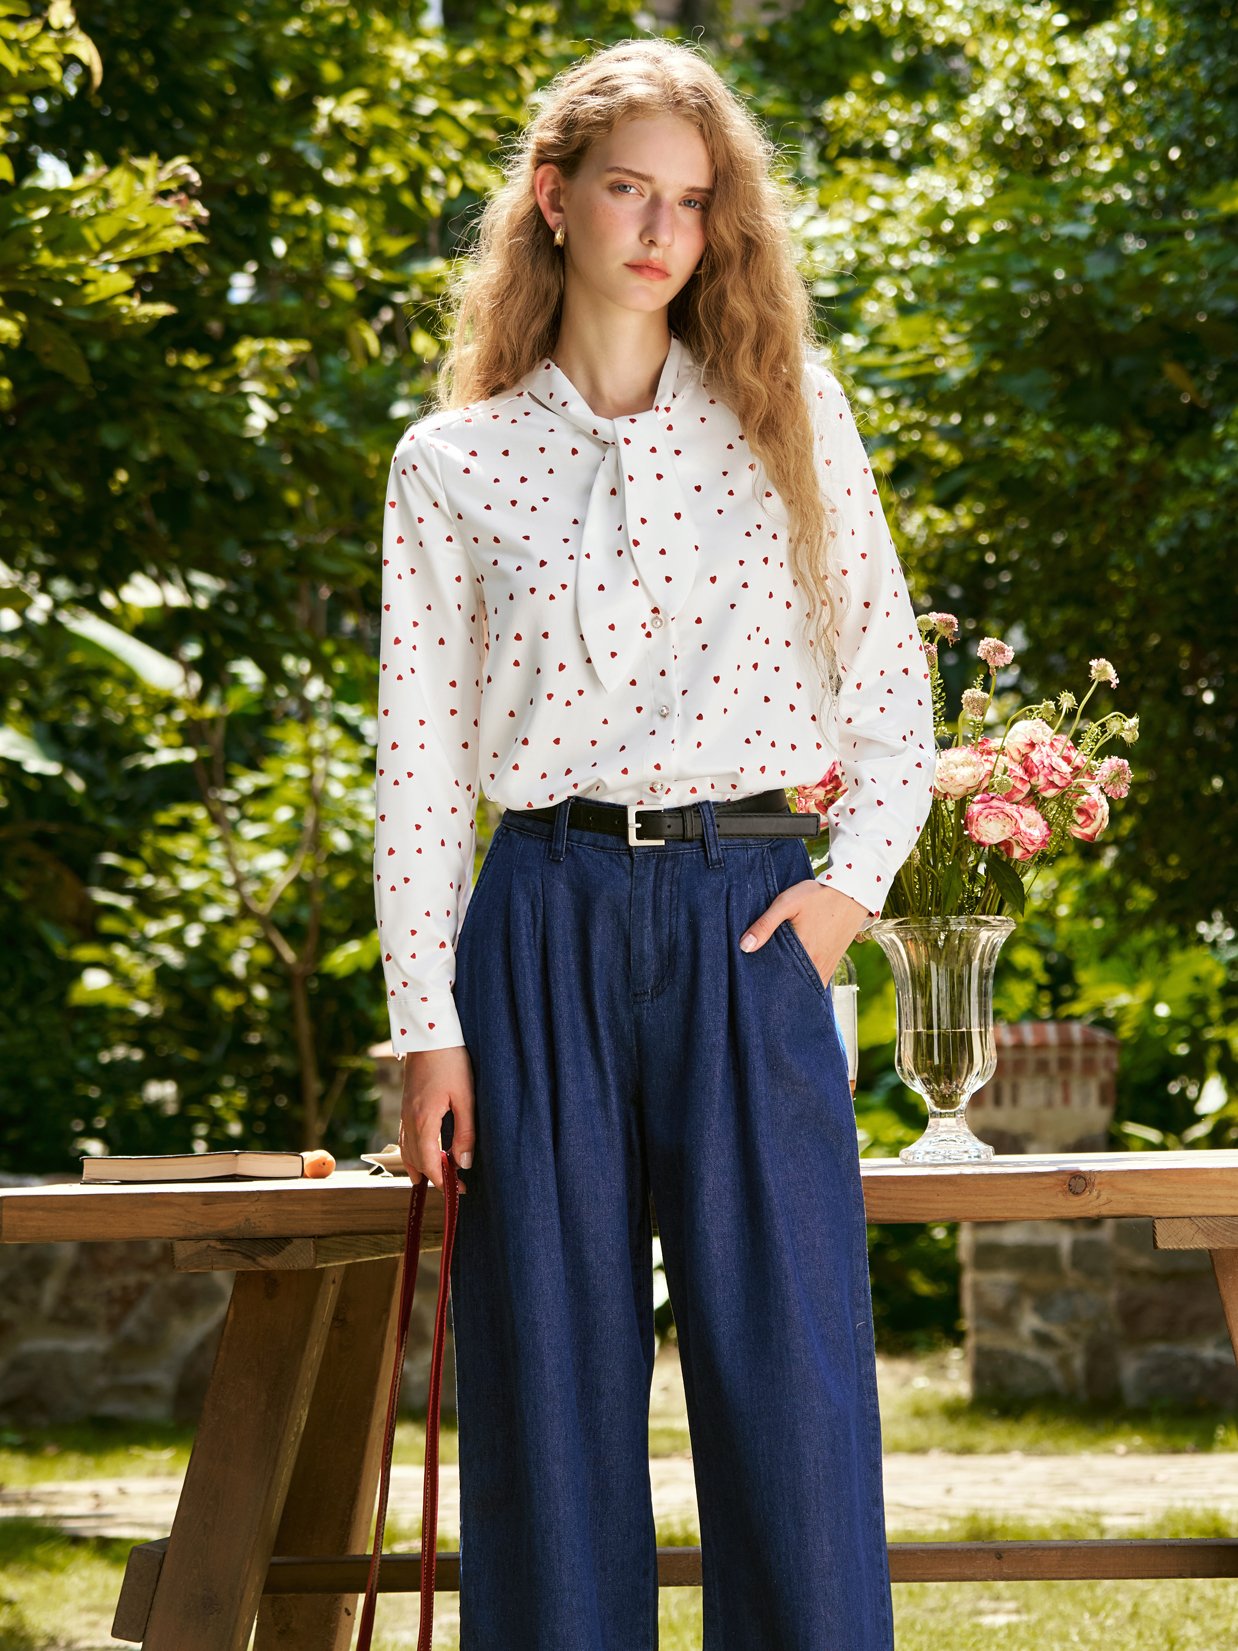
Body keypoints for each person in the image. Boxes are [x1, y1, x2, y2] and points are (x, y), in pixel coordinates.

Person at [374, 35, 934, 1651]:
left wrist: (842, 897)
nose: (661, 230)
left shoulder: (786, 413)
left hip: (749, 911)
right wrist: (427, 1027)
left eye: (690, 201)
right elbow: (419, 765)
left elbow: (888, 691)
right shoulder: (452, 463)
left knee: (790, 1380)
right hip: (539, 923)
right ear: (554, 200)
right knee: (546, 1385)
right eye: (629, 189)